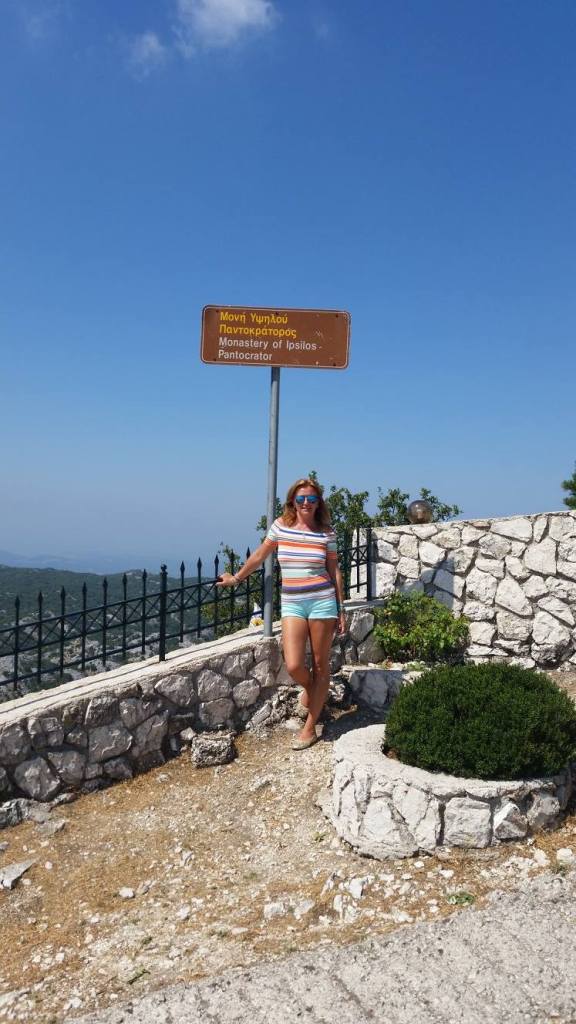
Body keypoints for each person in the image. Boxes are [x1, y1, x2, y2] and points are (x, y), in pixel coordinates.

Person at [217, 477, 346, 749]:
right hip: (292, 603)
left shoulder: (326, 532)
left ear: (318, 503)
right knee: (294, 665)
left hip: (322, 602)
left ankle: (310, 727)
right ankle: (313, 691)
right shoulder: (280, 526)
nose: (306, 503)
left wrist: (341, 607)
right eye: (301, 499)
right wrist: (236, 578)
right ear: (292, 502)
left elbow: (334, 570)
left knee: (321, 665)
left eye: (312, 499)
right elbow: (259, 555)